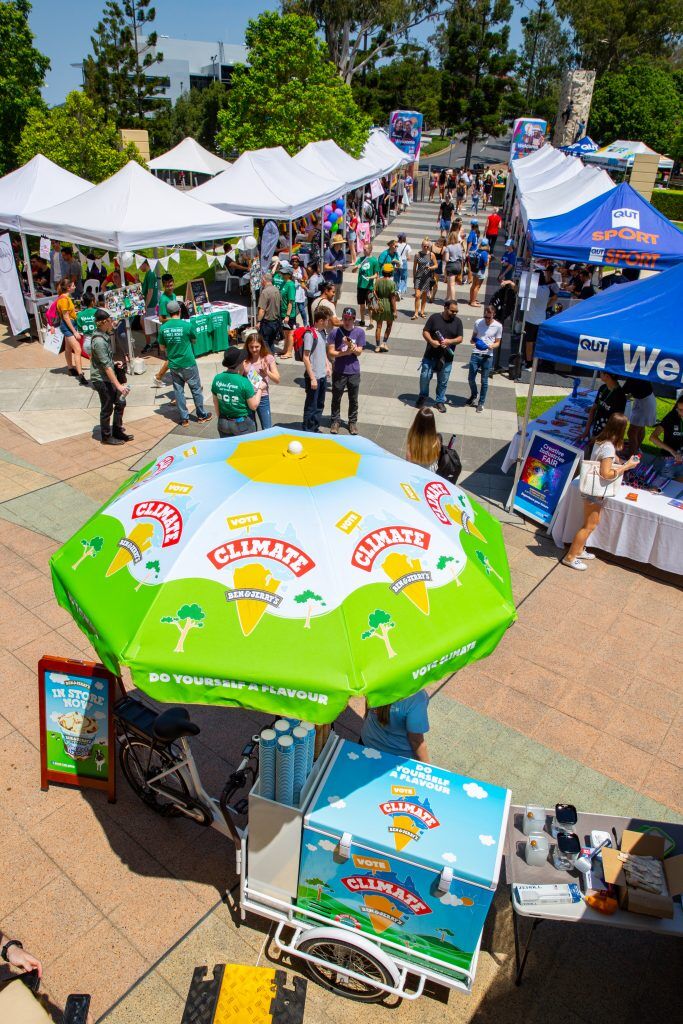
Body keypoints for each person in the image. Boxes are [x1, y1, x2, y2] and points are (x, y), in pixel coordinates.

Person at [563, 413, 639, 570]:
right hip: (595, 492)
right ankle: (570, 557)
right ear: (621, 429)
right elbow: (606, 474)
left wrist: (617, 461)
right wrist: (627, 467)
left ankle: (579, 550)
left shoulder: (600, 440)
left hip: (591, 489)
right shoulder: (609, 448)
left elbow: (603, 460)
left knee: (591, 523)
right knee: (589, 526)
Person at [156, 301, 212, 427]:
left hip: (174, 364)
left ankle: (184, 419)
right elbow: (194, 340)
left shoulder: (163, 328)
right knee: (196, 389)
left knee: (178, 391)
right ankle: (202, 415)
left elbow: (162, 347)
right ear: (179, 311)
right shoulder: (187, 326)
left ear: (168, 313)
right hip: (188, 362)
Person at [89, 309, 133, 445]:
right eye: (110, 320)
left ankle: (117, 430)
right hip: (101, 380)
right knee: (107, 407)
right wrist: (118, 385)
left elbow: (106, 362)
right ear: (105, 321)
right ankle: (106, 437)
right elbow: (106, 368)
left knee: (120, 402)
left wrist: (115, 363)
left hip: (107, 377)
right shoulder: (99, 342)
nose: (113, 322)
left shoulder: (104, 336)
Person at [417, 299, 464, 412]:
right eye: (452, 311)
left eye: (456, 311)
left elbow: (460, 338)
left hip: (446, 358)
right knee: (425, 377)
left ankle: (440, 401)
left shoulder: (458, 322)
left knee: (443, 381)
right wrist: (432, 342)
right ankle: (423, 396)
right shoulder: (434, 318)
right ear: (445, 308)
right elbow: (425, 332)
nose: (454, 313)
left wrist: (449, 341)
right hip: (430, 355)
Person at [327, 306, 366, 435]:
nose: (347, 321)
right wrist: (345, 352)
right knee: (336, 397)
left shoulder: (359, 332)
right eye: (345, 318)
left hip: (353, 370)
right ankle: (335, 421)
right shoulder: (335, 332)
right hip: (339, 370)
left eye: (350, 319)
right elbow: (331, 352)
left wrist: (353, 348)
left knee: (353, 398)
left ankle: (352, 422)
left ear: (354, 319)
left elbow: (359, 351)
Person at [361, 692, 430, 761]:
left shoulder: (375, 683)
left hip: (367, 742)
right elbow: (416, 741)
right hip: (396, 755)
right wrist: (427, 768)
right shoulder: (417, 697)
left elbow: (368, 705)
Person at [211, 346, 262, 437]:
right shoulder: (244, 382)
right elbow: (253, 406)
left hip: (223, 421)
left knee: (228, 449)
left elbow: (216, 402)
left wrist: (221, 418)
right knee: (246, 449)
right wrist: (260, 389)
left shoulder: (217, 378)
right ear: (241, 363)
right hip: (242, 424)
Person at [467, 306, 502, 412]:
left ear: (493, 315)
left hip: (488, 356)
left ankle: (481, 403)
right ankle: (474, 394)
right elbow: (473, 337)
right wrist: (474, 341)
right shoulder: (478, 322)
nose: (487, 319)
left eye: (489, 317)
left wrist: (492, 346)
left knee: (484, 381)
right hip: (476, 353)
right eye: (485, 316)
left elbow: (498, 342)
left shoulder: (498, 326)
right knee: (471, 378)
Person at [242, 329, 279, 430]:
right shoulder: (244, 360)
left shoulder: (268, 358)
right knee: (251, 428)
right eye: (251, 347)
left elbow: (277, 379)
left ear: (261, 345)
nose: (254, 349)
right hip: (248, 397)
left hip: (263, 397)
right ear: (247, 347)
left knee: (267, 428)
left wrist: (267, 372)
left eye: (257, 347)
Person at [302, 307, 331, 432]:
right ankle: (308, 430)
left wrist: (327, 366)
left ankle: (315, 427)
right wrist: (312, 378)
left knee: (320, 404)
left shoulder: (322, 333)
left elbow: (323, 351)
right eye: (326, 320)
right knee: (311, 406)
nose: (328, 322)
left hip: (322, 375)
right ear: (320, 321)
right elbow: (306, 357)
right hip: (314, 377)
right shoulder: (310, 334)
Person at [55, 278, 88, 386]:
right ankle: (81, 375)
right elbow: (66, 317)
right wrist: (74, 332)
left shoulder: (65, 298)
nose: (75, 287)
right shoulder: (64, 300)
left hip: (69, 325)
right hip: (68, 326)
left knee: (68, 348)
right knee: (77, 349)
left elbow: (68, 314)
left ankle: (70, 368)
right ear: (68, 288)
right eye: (73, 285)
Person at [522, 267, 556, 367]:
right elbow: (555, 297)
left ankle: (529, 363)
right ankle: (537, 361)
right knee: (537, 342)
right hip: (541, 319)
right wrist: (547, 305)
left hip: (530, 319)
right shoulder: (547, 289)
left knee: (529, 343)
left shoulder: (532, 289)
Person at [578, 372, 627, 442]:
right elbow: (593, 409)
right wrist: (587, 430)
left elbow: (617, 423)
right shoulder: (603, 388)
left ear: (607, 376)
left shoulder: (620, 396)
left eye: (601, 373)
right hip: (596, 430)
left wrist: (598, 438)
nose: (599, 374)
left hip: (608, 437)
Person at [649, 395, 683, 479]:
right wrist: (672, 451)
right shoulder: (671, 417)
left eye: (682, 410)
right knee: (669, 486)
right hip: (669, 460)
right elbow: (653, 437)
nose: (680, 412)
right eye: (679, 409)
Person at [623, 379, 656, 455]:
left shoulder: (633, 377)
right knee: (640, 428)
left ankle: (631, 456)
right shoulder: (638, 374)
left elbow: (623, 391)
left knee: (631, 433)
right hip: (645, 400)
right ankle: (635, 451)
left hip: (645, 402)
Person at [256, 272, 283, 354]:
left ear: (264, 280)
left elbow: (262, 310)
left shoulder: (265, 292)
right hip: (276, 322)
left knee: (264, 343)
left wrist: (258, 321)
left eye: (261, 280)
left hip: (267, 323)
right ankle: (272, 359)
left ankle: (269, 360)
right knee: (271, 342)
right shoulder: (277, 290)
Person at [374, 264, 397, 353]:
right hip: (388, 306)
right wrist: (395, 311)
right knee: (389, 325)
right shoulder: (392, 283)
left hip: (379, 304)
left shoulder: (378, 281)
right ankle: (384, 343)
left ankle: (377, 346)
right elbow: (393, 298)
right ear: (391, 272)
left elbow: (374, 292)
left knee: (379, 326)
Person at [412, 238, 438, 320]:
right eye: (424, 246)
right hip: (418, 277)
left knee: (424, 296)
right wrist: (414, 277)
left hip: (427, 277)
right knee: (417, 295)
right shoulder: (417, 255)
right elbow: (414, 267)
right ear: (421, 246)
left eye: (427, 246)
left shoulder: (431, 255)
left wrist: (430, 267)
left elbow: (436, 265)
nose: (426, 247)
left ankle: (422, 311)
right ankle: (416, 313)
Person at [276, 261, 297, 359]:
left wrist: (288, 315)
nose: (282, 275)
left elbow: (291, 301)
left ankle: (289, 352)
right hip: (283, 312)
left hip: (289, 314)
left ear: (289, 275)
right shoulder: (285, 283)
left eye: (284, 273)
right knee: (285, 333)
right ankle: (285, 349)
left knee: (290, 333)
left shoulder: (290, 285)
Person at [140, 258, 160, 353]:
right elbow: (146, 288)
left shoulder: (151, 274)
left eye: (140, 265)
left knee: (145, 323)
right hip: (149, 304)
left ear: (145, 264)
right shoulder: (148, 274)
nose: (139, 267)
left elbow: (150, 291)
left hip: (150, 304)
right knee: (146, 324)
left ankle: (149, 344)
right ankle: (156, 341)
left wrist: (146, 305)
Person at [323, 235, 346, 302]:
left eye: (342, 243)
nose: (341, 245)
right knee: (330, 301)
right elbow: (325, 267)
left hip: (339, 280)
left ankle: (333, 312)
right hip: (331, 281)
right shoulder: (328, 252)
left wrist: (343, 268)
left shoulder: (341, 253)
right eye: (340, 243)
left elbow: (343, 265)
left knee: (335, 300)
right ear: (335, 244)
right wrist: (335, 267)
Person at [469, 238, 489, 307]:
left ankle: (471, 299)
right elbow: (486, 264)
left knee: (473, 285)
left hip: (474, 270)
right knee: (477, 287)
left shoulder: (477, 250)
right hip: (480, 271)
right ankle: (473, 302)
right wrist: (489, 260)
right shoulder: (484, 253)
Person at [290, 254, 308, 326]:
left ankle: (305, 324)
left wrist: (301, 281)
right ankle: (293, 323)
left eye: (296, 261)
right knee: (293, 309)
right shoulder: (290, 269)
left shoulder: (302, 269)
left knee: (301, 309)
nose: (295, 263)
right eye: (293, 261)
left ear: (298, 262)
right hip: (292, 291)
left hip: (300, 291)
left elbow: (306, 278)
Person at [444, 231, 464, 299]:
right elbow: (461, 257)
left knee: (452, 285)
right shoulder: (459, 246)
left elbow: (446, 259)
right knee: (450, 283)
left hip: (451, 266)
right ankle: (447, 297)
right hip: (458, 265)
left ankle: (453, 301)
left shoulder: (448, 247)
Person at [395, 233, 411, 298]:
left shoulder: (396, 245)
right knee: (404, 279)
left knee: (396, 278)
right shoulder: (407, 246)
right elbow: (409, 257)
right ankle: (399, 290)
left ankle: (396, 291)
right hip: (403, 263)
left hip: (396, 262)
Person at [429, 238, 446, 304]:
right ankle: (432, 297)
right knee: (436, 281)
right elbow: (444, 258)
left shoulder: (432, 245)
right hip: (438, 264)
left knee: (429, 279)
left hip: (431, 262)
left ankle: (429, 294)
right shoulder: (443, 248)